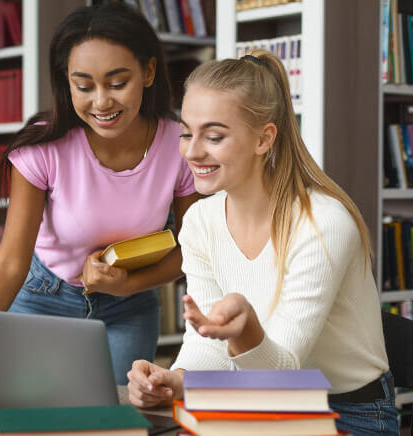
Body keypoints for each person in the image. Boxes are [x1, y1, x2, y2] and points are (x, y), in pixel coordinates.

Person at [126, 49, 396, 436]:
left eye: (214, 136)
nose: (192, 150)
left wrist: (244, 329)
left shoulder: (323, 223)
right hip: (251, 399)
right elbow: (207, 347)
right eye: (187, 132)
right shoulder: (201, 222)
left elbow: (282, 378)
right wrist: (173, 380)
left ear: (263, 139)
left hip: (349, 413)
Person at [0, 2, 200, 384]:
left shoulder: (178, 144)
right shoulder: (45, 145)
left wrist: (127, 284)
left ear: (148, 72)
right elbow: (10, 262)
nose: (101, 101)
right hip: (41, 298)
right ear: (67, 82)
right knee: (29, 418)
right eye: (84, 85)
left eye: (117, 82)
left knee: (112, 421)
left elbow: (190, 251)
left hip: (129, 308)